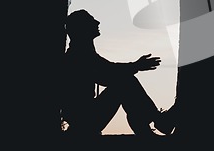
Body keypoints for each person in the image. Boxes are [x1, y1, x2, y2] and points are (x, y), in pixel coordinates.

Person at [60, 9, 176, 137]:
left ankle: (149, 126)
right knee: (125, 82)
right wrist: (136, 66)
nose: (97, 22)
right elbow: (107, 74)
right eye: (91, 20)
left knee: (125, 81)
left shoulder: (81, 53)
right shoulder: (79, 55)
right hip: (84, 121)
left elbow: (107, 72)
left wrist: (135, 66)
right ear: (83, 28)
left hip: (83, 119)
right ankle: (158, 122)